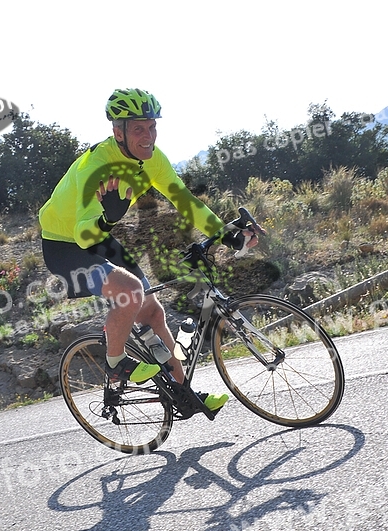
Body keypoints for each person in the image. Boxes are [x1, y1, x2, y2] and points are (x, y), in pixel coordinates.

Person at [38, 88, 259, 413]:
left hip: (100, 237)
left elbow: (185, 201)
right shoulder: (95, 168)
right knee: (130, 291)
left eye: (152, 127)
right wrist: (107, 217)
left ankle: (185, 396)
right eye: (138, 129)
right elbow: (84, 236)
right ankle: (115, 363)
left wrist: (227, 235)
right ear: (118, 132)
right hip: (64, 246)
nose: (148, 136)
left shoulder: (153, 159)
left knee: (154, 312)